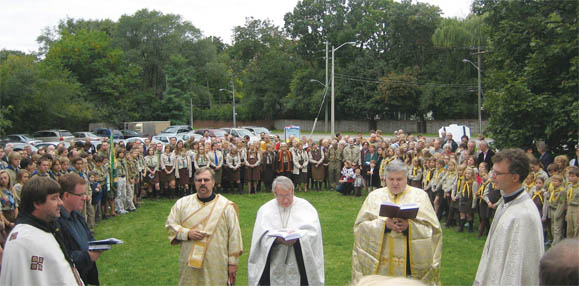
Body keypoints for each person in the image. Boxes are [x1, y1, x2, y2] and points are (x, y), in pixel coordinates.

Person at [352, 160, 442, 285]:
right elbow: (360, 228)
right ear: (385, 178)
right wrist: (383, 225)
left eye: (399, 179)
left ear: (406, 178)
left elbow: (434, 231)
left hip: (410, 264)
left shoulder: (420, 196)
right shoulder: (374, 196)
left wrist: (409, 226)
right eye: (391, 179)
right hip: (381, 261)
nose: (395, 183)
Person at [474, 149, 544, 285]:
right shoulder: (505, 203)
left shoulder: (524, 215)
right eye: (492, 172)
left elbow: (517, 267)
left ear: (515, 177)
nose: (492, 177)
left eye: (497, 173)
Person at [165, 167, 243, 286]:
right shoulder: (182, 204)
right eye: (198, 180)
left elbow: (234, 236)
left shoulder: (226, 207)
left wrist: (232, 263)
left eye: (206, 180)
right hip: (189, 262)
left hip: (217, 261)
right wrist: (187, 233)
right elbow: (170, 225)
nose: (202, 183)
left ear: (213, 182)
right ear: (194, 182)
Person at [0, 176, 83, 285]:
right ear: (37, 203)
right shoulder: (23, 240)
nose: (60, 203)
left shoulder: (46, 228)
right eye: (54, 198)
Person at [248, 176, 324, 286]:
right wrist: (276, 240)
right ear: (274, 193)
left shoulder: (306, 208)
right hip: (273, 262)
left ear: (293, 191)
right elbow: (259, 239)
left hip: (299, 262)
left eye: (288, 195)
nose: (286, 200)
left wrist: (298, 239)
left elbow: (314, 234)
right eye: (281, 196)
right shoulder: (265, 210)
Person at [58, 173, 100, 285]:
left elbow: (88, 235)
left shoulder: (77, 215)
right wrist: (87, 256)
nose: (84, 198)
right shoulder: (57, 222)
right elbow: (62, 256)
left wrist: (97, 246)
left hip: (85, 275)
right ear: (66, 195)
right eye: (80, 194)